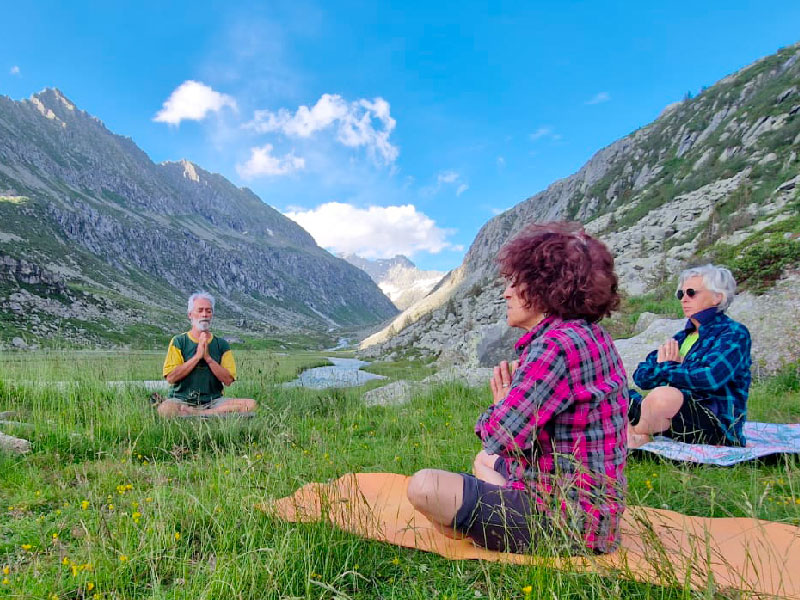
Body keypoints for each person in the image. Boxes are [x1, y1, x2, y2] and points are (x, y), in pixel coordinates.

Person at [406, 222, 628, 555]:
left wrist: (501, 406)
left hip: (565, 523)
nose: (506, 293)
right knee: (484, 461)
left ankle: (486, 530)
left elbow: (500, 435)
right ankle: (482, 518)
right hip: (594, 512)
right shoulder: (588, 334)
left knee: (425, 486)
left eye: (515, 283)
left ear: (547, 288)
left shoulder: (554, 348)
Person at [627, 265, 751, 448]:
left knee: (663, 397)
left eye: (691, 293)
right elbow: (641, 376)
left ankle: (636, 434)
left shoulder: (734, 334)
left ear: (718, 297)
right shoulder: (682, 336)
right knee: (614, 394)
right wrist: (669, 366)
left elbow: (710, 377)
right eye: (681, 294)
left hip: (715, 423)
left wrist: (668, 368)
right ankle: (640, 432)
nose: (684, 299)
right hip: (677, 418)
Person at [156, 292, 257, 417]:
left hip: (214, 401)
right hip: (181, 399)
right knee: (165, 409)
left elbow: (228, 380)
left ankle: (197, 413)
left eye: (208, 311)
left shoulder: (222, 344)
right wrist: (197, 357)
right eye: (200, 310)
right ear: (190, 315)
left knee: (251, 404)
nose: (204, 314)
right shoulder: (179, 341)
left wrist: (208, 359)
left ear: (212, 315)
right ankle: (212, 415)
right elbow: (171, 378)